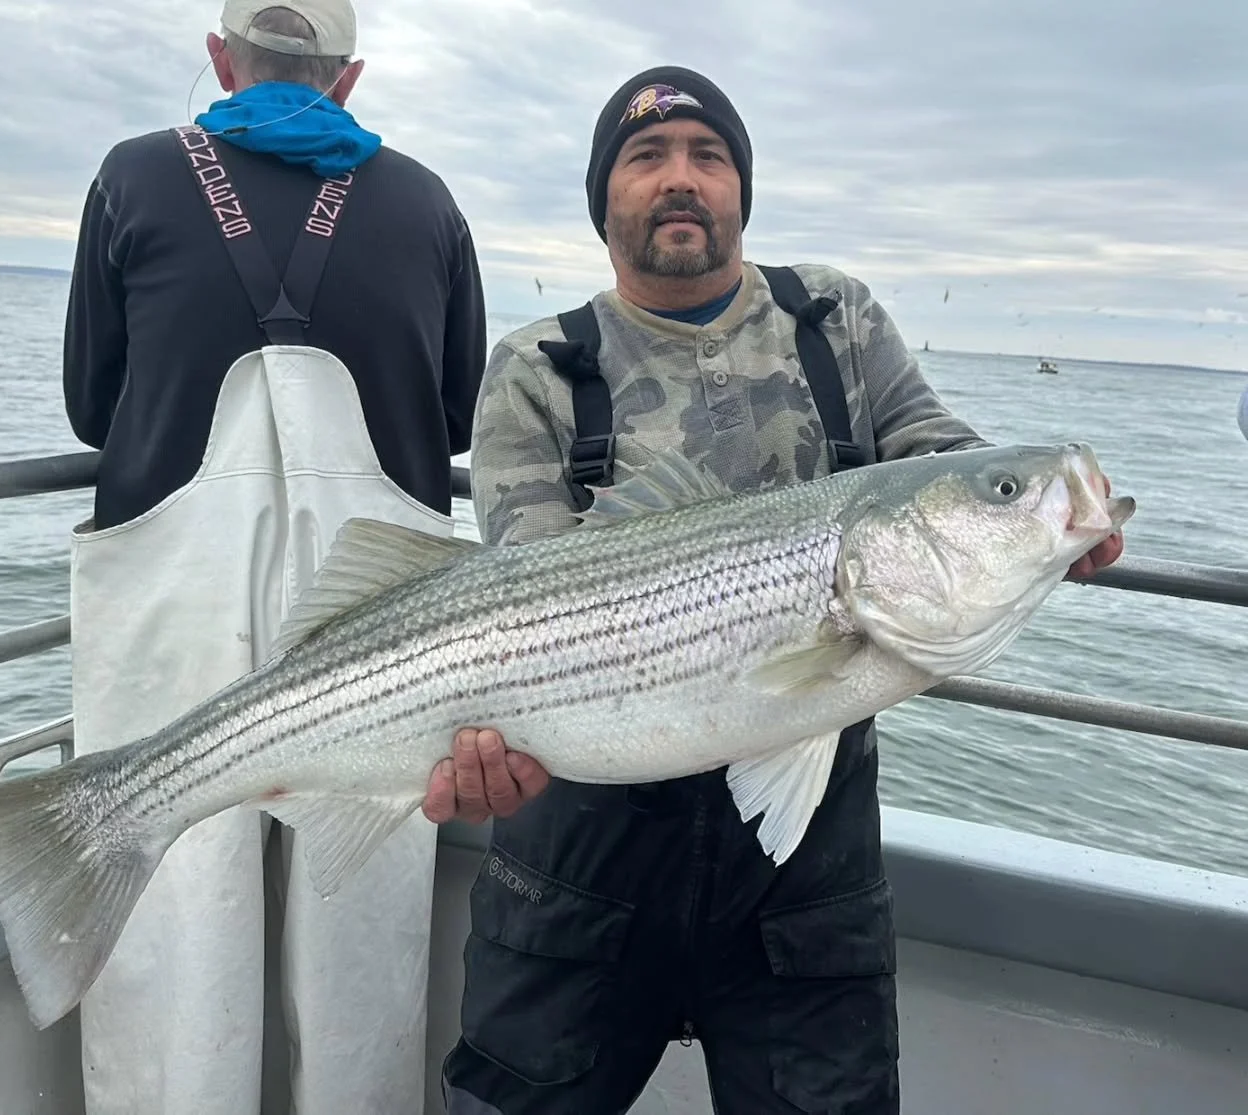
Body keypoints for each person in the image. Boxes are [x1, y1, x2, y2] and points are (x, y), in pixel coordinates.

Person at [440, 65, 1124, 1114]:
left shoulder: (836, 318)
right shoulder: (537, 365)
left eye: (708, 155)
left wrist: (1031, 515)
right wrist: (486, 746)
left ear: (741, 190)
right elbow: (533, 593)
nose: (681, 179)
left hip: (810, 878)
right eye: (647, 157)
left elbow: (936, 449)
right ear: (602, 198)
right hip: (580, 858)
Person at [59, 3, 523, 1113]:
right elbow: (458, 416)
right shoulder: (426, 201)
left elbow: (90, 406)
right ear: (348, 78)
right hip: (383, 603)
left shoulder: (130, 174)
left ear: (221, 62)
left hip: (176, 595)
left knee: (173, 908)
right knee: (360, 912)